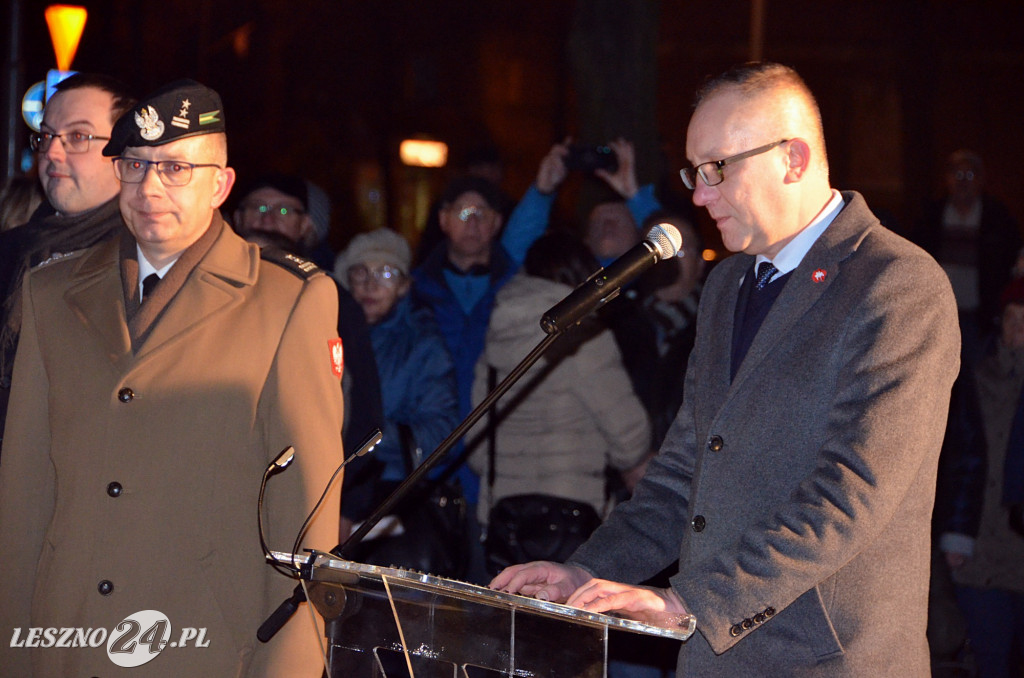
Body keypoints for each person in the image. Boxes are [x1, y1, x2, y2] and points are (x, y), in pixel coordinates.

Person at [491, 62, 961, 676]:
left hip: (826, 661)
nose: (698, 195)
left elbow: (851, 494)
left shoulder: (896, 284)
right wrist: (587, 570)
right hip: (713, 657)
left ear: (793, 158)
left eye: (717, 168)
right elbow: (683, 473)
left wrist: (687, 602)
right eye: (694, 171)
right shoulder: (729, 283)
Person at [0, 79, 345, 677]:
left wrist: (289, 667)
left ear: (221, 184)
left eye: (176, 169)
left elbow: (305, 519)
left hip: (206, 642)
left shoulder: (289, 301)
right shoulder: (50, 292)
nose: (150, 187)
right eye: (135, 166)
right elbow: (25, 494)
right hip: (67, 638)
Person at [468, 231, 650, 541]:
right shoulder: (584, 337)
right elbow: (629, 442)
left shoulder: (496, 335)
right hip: (571, 512)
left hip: (504, 519)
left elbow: (476, 449)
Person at [233, 173, 385, 540]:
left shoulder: (331, 299)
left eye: (284, 210)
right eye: (258, 207)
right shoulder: (203, 290)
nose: (267, 217)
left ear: (305, 224)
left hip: (300, 500)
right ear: (236, 218)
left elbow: (363, 410)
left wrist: (348, 507)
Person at [411, 174, 548, 582]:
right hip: (428, 466)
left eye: (483, 214)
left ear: (497, 223)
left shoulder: (520, 290)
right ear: (443, 220)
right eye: (463, 213)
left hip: (499, 466)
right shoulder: (411, 292)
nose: (472, 223)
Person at [0, 73, 136, 448]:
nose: (52, 153)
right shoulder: (13, 251)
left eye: (78, 137)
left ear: (125, 155)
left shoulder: (143, 261)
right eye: (46, 136)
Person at [335, 228, 459, 548]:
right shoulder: (328, 336)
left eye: (386, 273)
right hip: (327, 495)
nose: (370, 284)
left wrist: (357, 435)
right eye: (360, 272)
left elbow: (442, 433)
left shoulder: (422, 344)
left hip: (391, 500)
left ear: (405, 286)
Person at [937, 279, 1024, 678]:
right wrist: (957, 531)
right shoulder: (975, 376)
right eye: (1010, 319)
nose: (1016, 330)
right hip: (981, 545)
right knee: (989, 660)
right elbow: (960, 457)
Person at [912, 149, 1021, 363]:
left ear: (980, 180)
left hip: (979, 315)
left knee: (977, 371)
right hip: (939, 312)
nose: (963, 182)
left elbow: (1008, 260)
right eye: (958, 175)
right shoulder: (932, 214)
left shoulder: (996, 216)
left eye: (969, 176)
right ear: (948, 179)